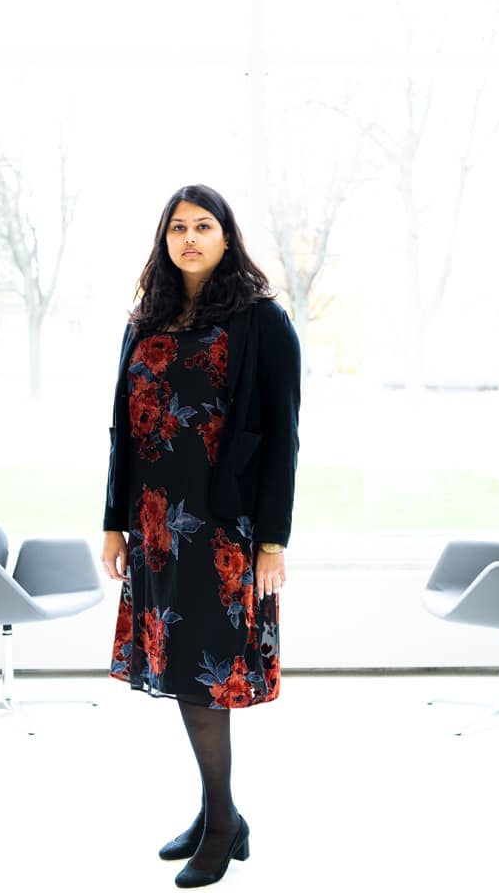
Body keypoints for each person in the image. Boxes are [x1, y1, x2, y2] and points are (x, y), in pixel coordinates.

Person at [101, 184, 301, 888]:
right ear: (164, 239)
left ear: (226, 236)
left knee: (205, 682)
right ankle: (220, 812)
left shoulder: (261, 320)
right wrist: (113, 523)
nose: (189, 238)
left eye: (203, 226)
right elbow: (123, 429)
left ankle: (222, 826)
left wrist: (272, 540)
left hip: (224, 529)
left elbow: (281, 436)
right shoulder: (144, 320)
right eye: (178, 227)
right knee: (185, 673)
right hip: (156, 528)